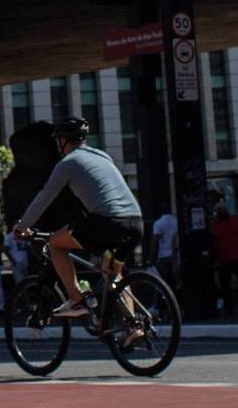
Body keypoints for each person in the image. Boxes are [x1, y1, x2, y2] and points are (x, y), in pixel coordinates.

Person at [12, 117, 143, 318]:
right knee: (112, 275)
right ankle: (134, 325)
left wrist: (22, 226)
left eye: (58, 140)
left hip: (108, 222)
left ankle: (76, 300)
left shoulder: (68, 163)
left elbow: (45, 196)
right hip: (135, 222)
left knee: (56, 243)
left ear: (63, 140)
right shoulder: (102, 156)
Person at [207, 191, 238, 315]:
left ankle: (236, 307)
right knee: (231, 285)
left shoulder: (216, 224)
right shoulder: (227, 222)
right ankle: (236, 307)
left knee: (232, 285)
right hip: (229, 257)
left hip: (229, 257)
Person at [150, 207, 180, 289]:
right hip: (175, 256)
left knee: (162, 283)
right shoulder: (177, 221)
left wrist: (151, 257)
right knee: (175, 282)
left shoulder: (159, 223)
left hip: (163, 256)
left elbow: (155, 242)